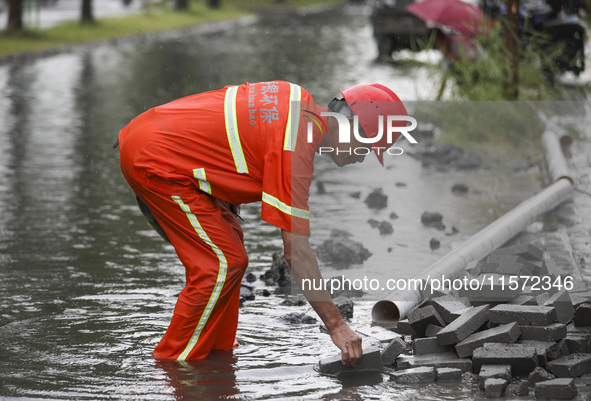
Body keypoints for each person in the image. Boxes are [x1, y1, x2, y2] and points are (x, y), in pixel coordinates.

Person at [116, 80, 407, 365]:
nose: (362, 158)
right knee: (220, 264)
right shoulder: (295, 150)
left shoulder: (295, 98)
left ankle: (218, 356)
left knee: (232, 250)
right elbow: (297, 253)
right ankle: (172, 367)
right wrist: (336, 325)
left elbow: (237, 135)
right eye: (367, 147)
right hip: (157, 160)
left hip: (153, 136)